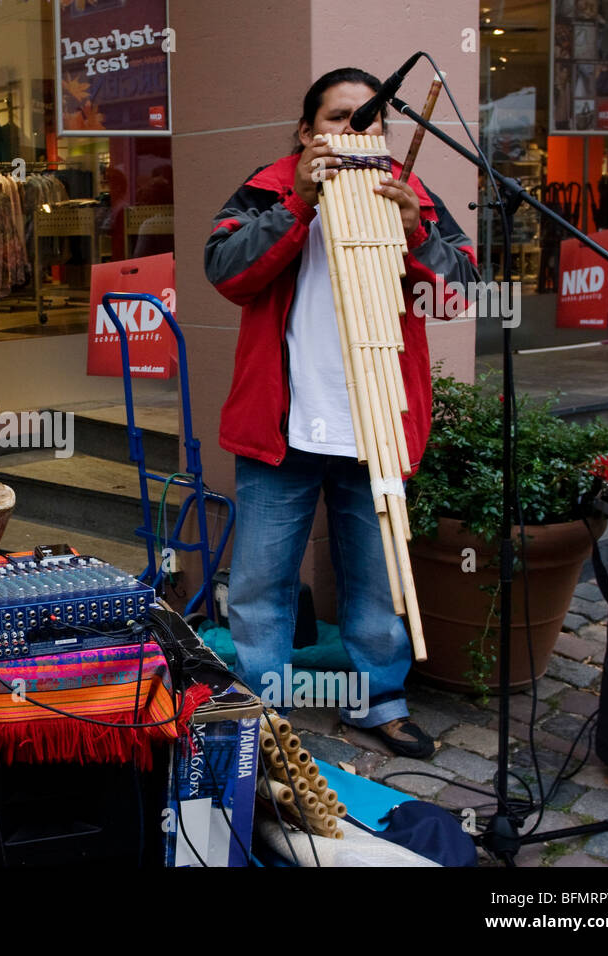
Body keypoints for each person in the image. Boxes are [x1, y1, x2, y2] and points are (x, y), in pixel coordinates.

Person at [204, 68, 478, 758]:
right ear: (307, 131)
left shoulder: (411, 195)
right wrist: (298, 206)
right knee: (263, 582)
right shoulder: (267, 188)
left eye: (371, 121)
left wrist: (418, 237)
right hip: (283, 427)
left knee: (379, 581)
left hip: (376, 423)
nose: (358, 133)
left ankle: (378, 701)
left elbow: (456, 295)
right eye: (340, 119)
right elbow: (227, 272)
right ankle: (259, 710)